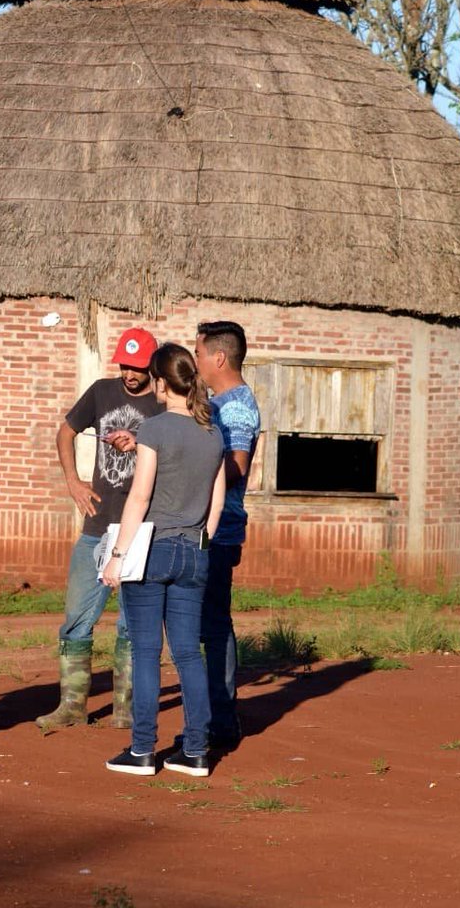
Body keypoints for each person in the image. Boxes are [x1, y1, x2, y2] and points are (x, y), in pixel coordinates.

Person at [101, 343, 225, 778]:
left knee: (146, 651)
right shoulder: (212, 432)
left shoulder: (153, 429)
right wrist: (202, 539)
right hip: (195, 551)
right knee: (189, 653)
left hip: (152, 550)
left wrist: (117, 557)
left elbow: (140, 497)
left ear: (160, 381)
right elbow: (216, 501)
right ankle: (195, 751)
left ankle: (141, 751)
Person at [36, 327, 163, 731]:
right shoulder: (101, 391)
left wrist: (140, 440)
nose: (129, 374)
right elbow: (65, 432)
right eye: (124, 365)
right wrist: (73, 481)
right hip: (96, 525)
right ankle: (72, 707)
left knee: (132, 623)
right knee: (76, 617)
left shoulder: (163, 402)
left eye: (137, 367)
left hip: (140, 531)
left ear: (152, 366)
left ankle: (126, 711)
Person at [194, 320, 261, 748]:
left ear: (218, 358)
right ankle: (215, 715)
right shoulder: (220, 401)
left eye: (199, 353)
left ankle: (221, 720)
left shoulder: (235, 405)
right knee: (207, 623)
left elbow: (236, 465)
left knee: (214, 624)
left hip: (218, 531)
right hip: (210, 526)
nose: (196, 361)